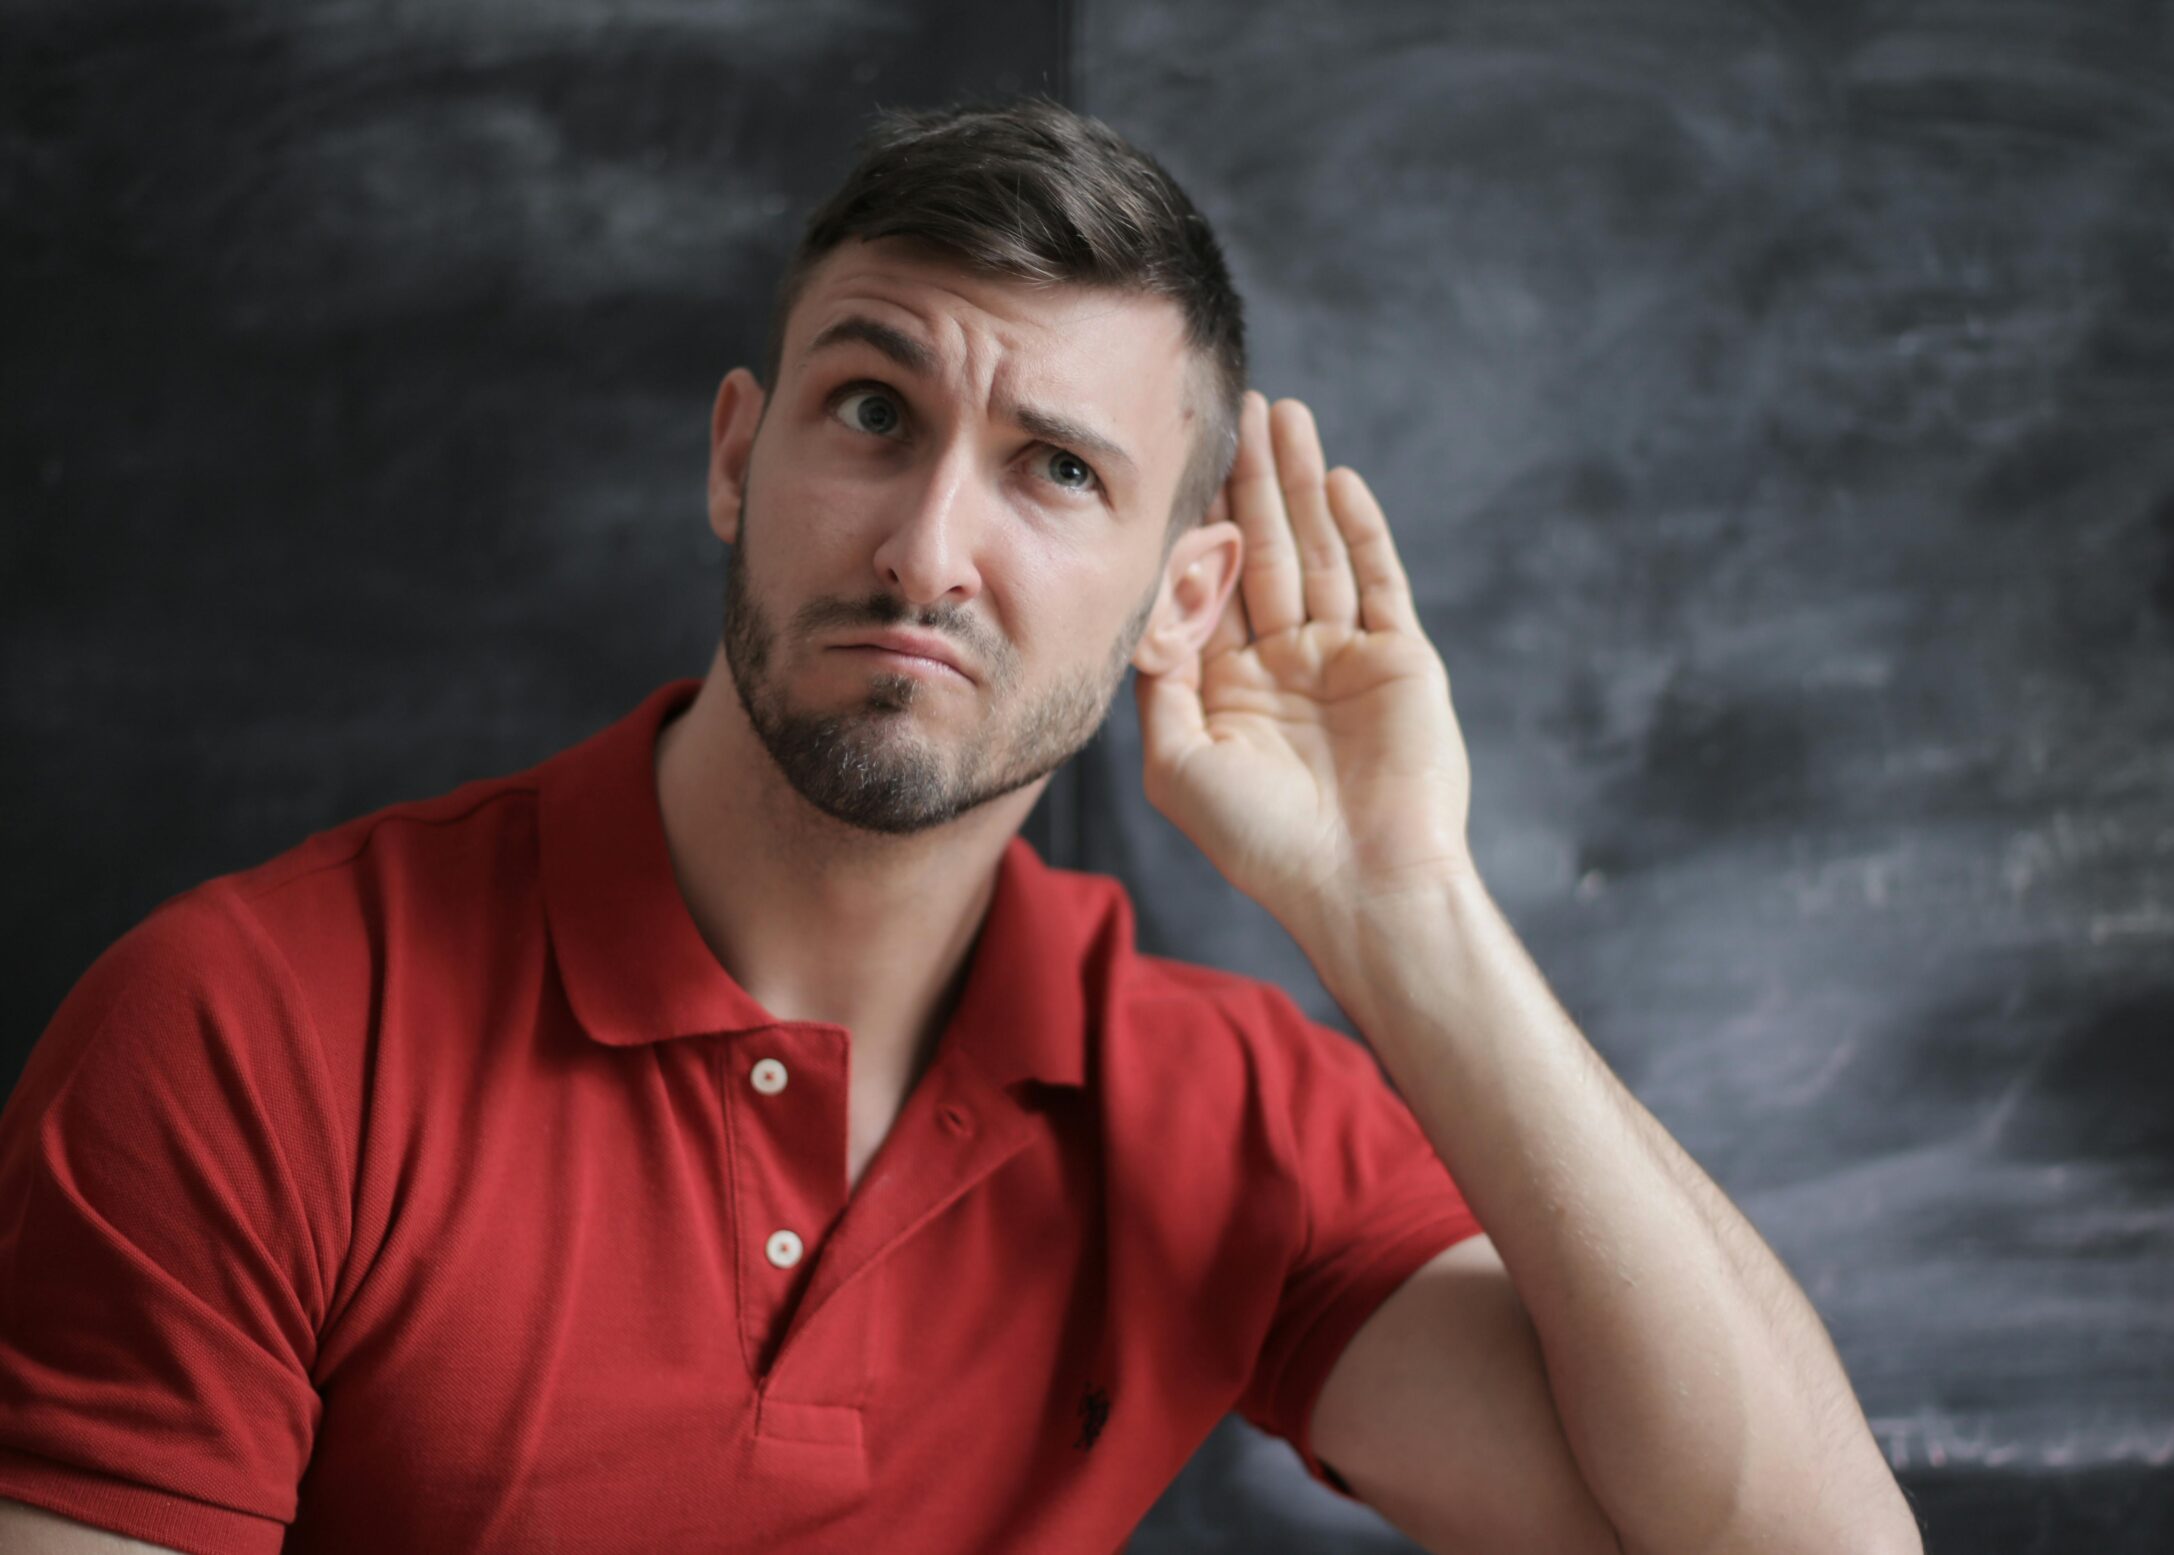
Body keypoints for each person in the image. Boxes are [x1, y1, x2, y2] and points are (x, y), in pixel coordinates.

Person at [0, 98, 1922, 1555]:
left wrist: (1405, 907)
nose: (929, 548)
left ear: (1184, 599)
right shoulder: (247, 1029)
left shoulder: (1217, 1120)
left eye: (1058, 471)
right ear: (739, 457)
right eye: (869, 412)